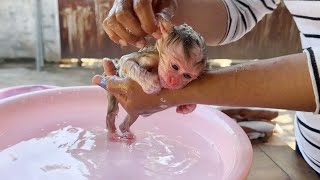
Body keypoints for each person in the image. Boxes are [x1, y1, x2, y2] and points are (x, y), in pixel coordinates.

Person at [95, 0, 320, 174]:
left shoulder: (179, 73)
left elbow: (187, 84)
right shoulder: (154, 54)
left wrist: (185, 95)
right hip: (308, 152)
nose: (176, 82)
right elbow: (236, 10)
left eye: (188, 77)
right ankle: (115, 129)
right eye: (175, 68)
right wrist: (165, 5)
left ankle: (121, 128)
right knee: (112, 112)